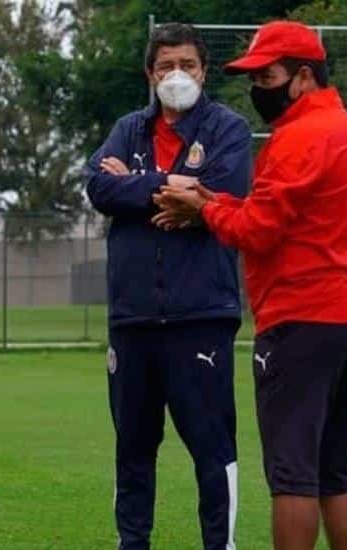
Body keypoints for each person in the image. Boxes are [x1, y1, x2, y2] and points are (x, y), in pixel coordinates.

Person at [154, 21, 347, 550]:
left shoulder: (299, 137)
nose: (258, 87)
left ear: (303, 76)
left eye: (268, 76)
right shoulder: (342, 127)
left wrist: (203, 209)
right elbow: (275, 215)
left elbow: (256, 232)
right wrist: (212, 203)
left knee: (292, 476)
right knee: (334, 471)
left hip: (302, 315)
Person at [83, 22, 250, 550]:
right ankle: (132, 544)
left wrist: (143, 189)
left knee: (211, 447)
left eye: (187, 65)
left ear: (203, 70)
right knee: (133, 448)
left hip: (201, 315)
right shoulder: (128, 129)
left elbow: (227, 193)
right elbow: (99, 186)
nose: (176, 76)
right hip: (132, 320)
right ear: (149, 74)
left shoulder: (228, 129)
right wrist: (170, 187)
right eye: (165, 67)